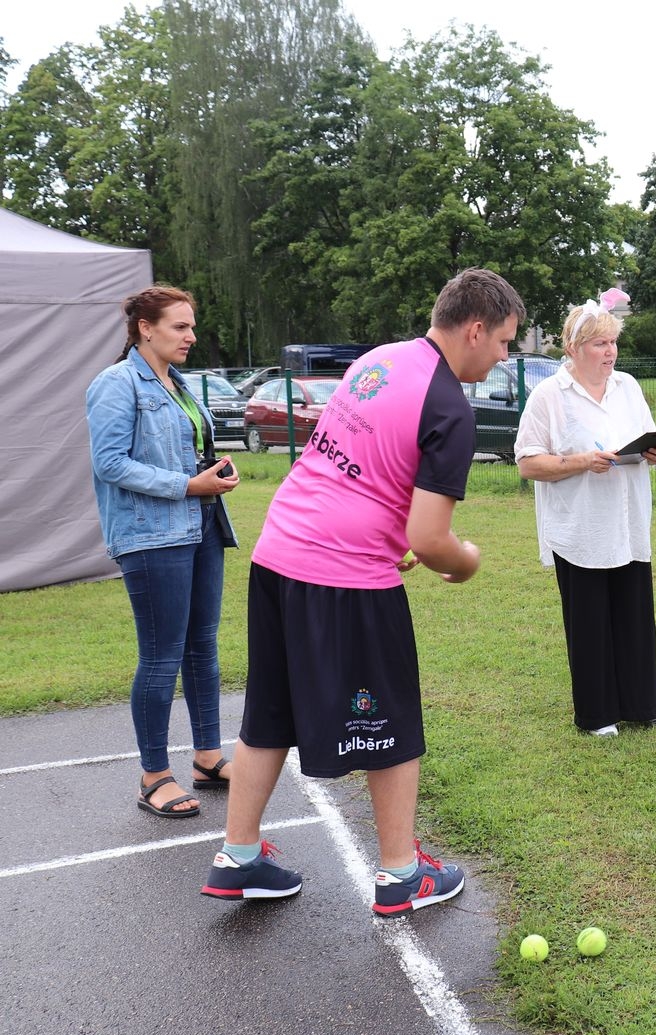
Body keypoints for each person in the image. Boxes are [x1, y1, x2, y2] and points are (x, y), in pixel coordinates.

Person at [200, 267, 523, 913]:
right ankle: (402, 873)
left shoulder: (379, 359)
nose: (504, 356)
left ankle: (237, 858)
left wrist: (389, 532)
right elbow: (432, 540)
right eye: (505, 342)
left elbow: (361, 466)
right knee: (391, 720)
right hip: (343, 577)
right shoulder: (450, 406)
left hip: (279, 553)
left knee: (268, 711)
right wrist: (466, 562)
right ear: (476, 328)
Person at [86, 285, 241, 819]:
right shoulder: (115, 383)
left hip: (202, 528)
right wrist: (186, 485)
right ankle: (153, 777)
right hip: (152, 537)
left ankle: (208, 758)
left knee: (202, 646)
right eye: (180, 326)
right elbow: (110, 463)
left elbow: (191, 449)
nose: (191, 336)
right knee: (161, 655)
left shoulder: (180, 384)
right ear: (144, 328)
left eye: (191, 326)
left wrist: (216, 474)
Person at [515, 287, 656, 737]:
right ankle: (596, 715)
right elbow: (528, 461)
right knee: (589, 624)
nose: (610, 351)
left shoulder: (627, 387)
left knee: (636, 618)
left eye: (612, 342)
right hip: (579, 527)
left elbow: (646, 435)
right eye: (600, 343)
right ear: (574, 347)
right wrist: (581, 462)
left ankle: (647, 706)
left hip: (627, 522)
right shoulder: (549, 395)